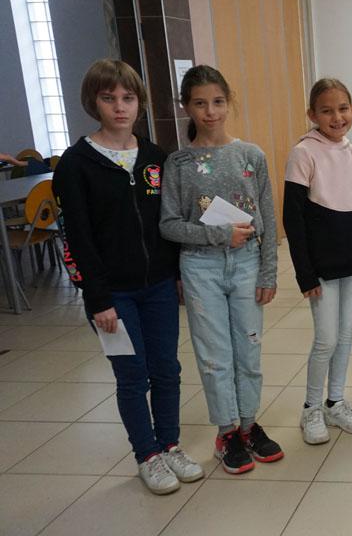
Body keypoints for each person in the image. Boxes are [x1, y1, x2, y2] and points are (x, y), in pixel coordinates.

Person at [53, 59, 202, 494]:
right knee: (133, 375)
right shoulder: (76, 164)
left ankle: (170, 444)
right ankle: (147, 455)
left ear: (139, 102)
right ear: (93, 102)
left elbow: (168, 223)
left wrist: (177, 274)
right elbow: (76, 239)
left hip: (159, 286)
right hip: (112, 295)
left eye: (128, 98)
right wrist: (97, 298)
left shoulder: (155, 158)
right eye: (109, 98)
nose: (120, 107)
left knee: (167, 369)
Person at [160, 64, 281, 475]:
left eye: (217, 102)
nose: (210, 112)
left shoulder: (251, 155)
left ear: (228, 102)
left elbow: (267, 217)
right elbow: (169, 224)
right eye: (200, 104)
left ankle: (248, 424)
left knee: (249, 348)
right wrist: (218, 236)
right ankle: (226, 432)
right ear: (186, 107)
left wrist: (268, 272)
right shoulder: (178, 163)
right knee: (214, 355)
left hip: (247, 263)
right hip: (200, 267)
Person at [284, 78, 352, 445]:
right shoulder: (303, 152)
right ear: (312, 114)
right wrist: (305, 274)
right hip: (320, 267)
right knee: (326, 339)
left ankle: (335, 402)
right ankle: (311, 407)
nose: (337, 117)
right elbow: (293, 219)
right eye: (327, 110)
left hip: (351, 262)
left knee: (346, 336)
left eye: (343, 109)